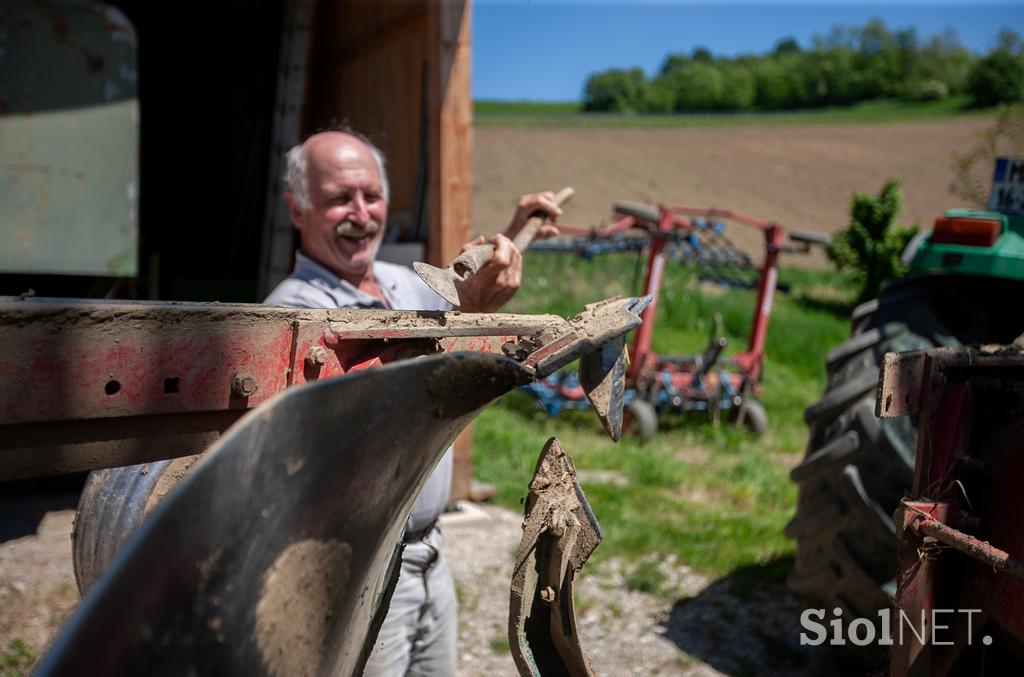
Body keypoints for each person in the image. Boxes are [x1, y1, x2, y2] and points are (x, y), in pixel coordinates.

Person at [264, 128, 561, 676]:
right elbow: (377, 403)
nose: (361, 214)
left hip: (430, 552)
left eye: (371, 195)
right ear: (297, 208)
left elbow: (463, 285)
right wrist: (467, 313)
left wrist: (520, 228)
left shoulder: (402, 283)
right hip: (354, 569)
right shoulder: (294, 313)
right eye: (338, 199)